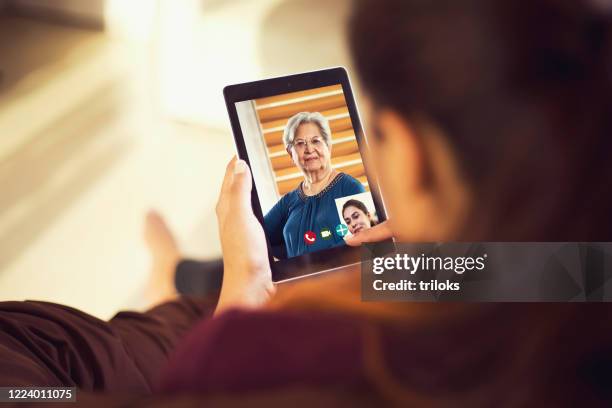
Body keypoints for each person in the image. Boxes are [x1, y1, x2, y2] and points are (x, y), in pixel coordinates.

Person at [1, 0, 612, 406]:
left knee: (155, 314)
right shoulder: (581, 275)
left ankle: (171, 284)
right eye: (303, 145)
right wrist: (438, 257)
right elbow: (543, 271)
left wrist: (239, 301)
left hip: (231, 327)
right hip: (355, 273)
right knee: (231, 268)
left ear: (411, 152)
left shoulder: (252, 355)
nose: (316, 152)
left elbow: (228, 334)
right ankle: (178, 274)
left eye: (337, 138)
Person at [264, 111, 365, 259]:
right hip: (302, 282)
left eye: (316, 141)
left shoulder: (349, 188)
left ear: (328, 145)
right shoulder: (289, 201)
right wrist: (294, 258)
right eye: (300, 143)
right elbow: (258, 237)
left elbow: (367, 243)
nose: (309, 149)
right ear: (290, 153)